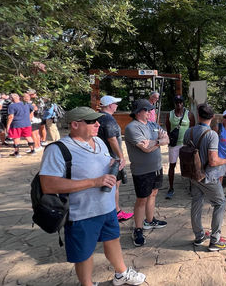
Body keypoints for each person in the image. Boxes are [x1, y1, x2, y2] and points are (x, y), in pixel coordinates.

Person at [39, 106, 146, 286]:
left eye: (98, 120)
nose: (98, 124)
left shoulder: (100, 142)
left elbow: (100, 164)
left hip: (108, 208)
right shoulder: (58, 149)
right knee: (84, 254)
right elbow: (48, 185)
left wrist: (111, 164)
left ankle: (121, 273)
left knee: (113, 240)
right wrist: (94, 182)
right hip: (81, 213)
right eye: (91, 121)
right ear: (74, 124)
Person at [184, 103, 226, 251]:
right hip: (208, 176)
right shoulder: (212, 135)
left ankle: (199, 236)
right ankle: (215, 240)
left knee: (197, 201)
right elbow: (213, 161)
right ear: (213, 117)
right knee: (220, 202)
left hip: (193, 174)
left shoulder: (189, 132)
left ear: (198, 116)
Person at [124, 99, 169, 247]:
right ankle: (138, 228)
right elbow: (145, 148)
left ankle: (150, 221)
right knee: (141, 199)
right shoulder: (132, 128)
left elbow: (167, 138)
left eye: (150, 110)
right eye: (147, 110)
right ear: (138, 112)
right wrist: (158, 142)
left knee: (153, 194)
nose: (150, 112)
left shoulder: (152, 125)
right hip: (142, 171)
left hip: (156, 167)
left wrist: (154, 142)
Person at [97, 95, 133, 223]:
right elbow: (112, 139)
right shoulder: (109, 120)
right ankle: (116, 211)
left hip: (101, 157)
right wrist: (121, 157)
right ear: (110, 105)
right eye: (115, 103)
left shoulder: (97, 118)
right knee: (114, 186)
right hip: (112, 158)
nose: (117, 106)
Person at [165, 95, 195, 200]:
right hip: (174, 144)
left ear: (183, 103)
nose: (179, 104)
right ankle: (171, 187)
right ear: (174, 103)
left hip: (185, 144)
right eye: (177, 102)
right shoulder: (170, 114)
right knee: (172, 165)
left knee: (189, 165)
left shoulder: (189, 115)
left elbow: (192, 130)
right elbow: (168, 129)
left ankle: (192, 186)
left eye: (180, 102)